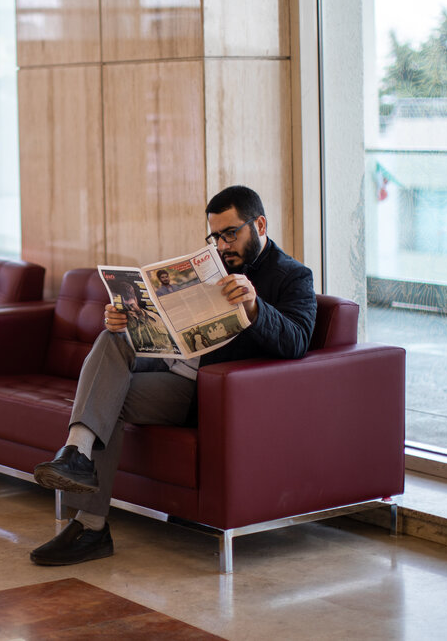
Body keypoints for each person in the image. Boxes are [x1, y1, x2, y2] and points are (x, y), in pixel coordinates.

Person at [29, 184, 317, 566]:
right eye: (215, 236)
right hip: (169, 363)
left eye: (231, 234)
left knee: (105, 400)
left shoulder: (292, 276)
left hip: (200, 390)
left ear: (260, 225)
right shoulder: (213, 266)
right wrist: (127, 320)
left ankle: (91, 526)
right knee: (110, 337)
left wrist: (254, 306)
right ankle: (76, 454)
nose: (222, 245)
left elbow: (297, 340)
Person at [115, 281, 173, 353]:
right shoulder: (124, 322)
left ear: (136, 299)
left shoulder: (155, 317)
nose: (132, 309)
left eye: (132, 305)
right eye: (127, 307)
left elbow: (173, 340)